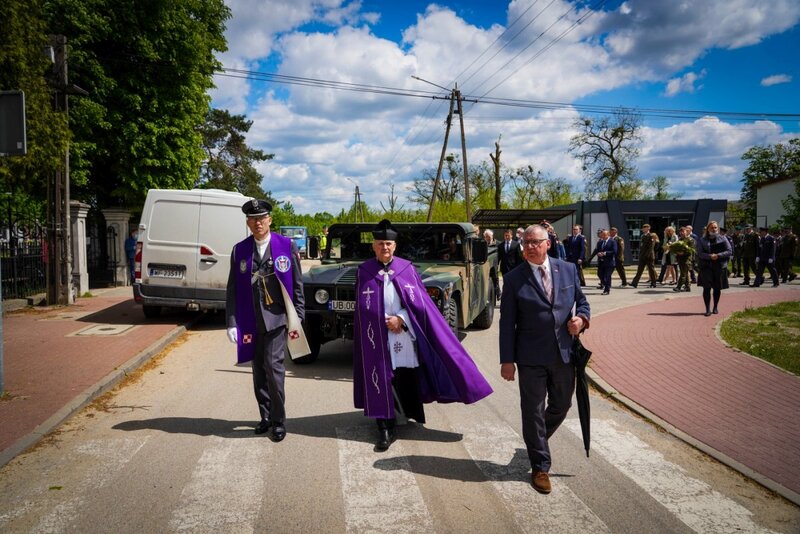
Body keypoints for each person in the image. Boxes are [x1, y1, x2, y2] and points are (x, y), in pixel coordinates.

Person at [353, 219, 493, 451]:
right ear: (373, 246)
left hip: (402, 333)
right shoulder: (364, 271)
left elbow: (421, 305)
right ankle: (385, 426)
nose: (384, 248)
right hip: (375, 335)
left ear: (395, 246)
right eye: (379, 244)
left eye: (388, 244)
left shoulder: (406, 269)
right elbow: (361, 306)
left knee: (402, 375)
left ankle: (406, 412)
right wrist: (378, 320)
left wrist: (402, 319)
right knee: (381, 377)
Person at [499, 224, 590, 494]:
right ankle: (540, 466)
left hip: (563, 354)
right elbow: (507, 325)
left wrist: (582, 319)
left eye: (534, 242)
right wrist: (507, 360)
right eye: (525, 243)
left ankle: (535, 439)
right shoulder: (514, 279)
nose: (528, 247)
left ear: (547, 243)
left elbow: (582, 302)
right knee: (533, 411)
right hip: (530, 357)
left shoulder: (568, 269)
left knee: (561, 406)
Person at [226, 198, 304, 442]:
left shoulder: (286, 245)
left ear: (270, 220)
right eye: (252, 219)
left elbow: (298, 283)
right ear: (248, 223)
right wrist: (231, 321)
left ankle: (279, 421)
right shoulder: (240, 249)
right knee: (258, 371)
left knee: (273, 368)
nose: (258, 223)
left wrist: (298, 317)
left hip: (277, 319)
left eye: (262, 218)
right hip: (250, 321)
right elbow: (231, 289)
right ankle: (266, 416)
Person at [696, 221, 732, 316]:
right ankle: (707, 309)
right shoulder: (702, 240)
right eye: (712, 228)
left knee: (717, 288)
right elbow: (699, 253)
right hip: (706, 266)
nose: (714, 229)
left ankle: (715, 306)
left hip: (719, 266)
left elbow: (729, 251)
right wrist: (709, 256)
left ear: (718, 229)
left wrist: (718, 255)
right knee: (706, 288)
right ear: (708, 229)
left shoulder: (723, 238)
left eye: (715, 227)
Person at [631, 224, 659, 288]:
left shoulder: (651, 235)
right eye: (643, 228)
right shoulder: (643, 236)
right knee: (639, 270)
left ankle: (653, 284)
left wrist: (647, 255)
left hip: (649, 256)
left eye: (645, 228)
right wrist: (641, 255)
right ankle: (634, 283)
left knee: (651, 270)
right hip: (642, 256)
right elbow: (642, 246)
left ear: (648, 228)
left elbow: (651, 247)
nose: (643, 229)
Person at [592, 229, 617, 295]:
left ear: (608, 235)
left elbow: (614, 251)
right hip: (601, 262)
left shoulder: (612, 241)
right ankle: (606, 284)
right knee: (600, 274)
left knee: (607, 276)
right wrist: (599, 253)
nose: (602, 236)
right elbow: (597, 250)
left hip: (609, 262)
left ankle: (606, 290)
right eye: (602, 234)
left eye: (604, 235)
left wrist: (605, 253)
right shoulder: (600, 242)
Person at [673, 227, 694, 292]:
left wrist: (683, 253)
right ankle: (687, 287)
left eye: (683, 231)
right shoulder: (680, 239)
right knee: (685, 272)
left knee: (683, 273)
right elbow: (676, 248)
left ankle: (678, 287)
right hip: (680, 259)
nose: (682, 233)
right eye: (681, 232)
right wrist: (676, 252)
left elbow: (691, 250)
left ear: (687, 232)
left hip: (686, 259)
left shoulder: (690, 239)